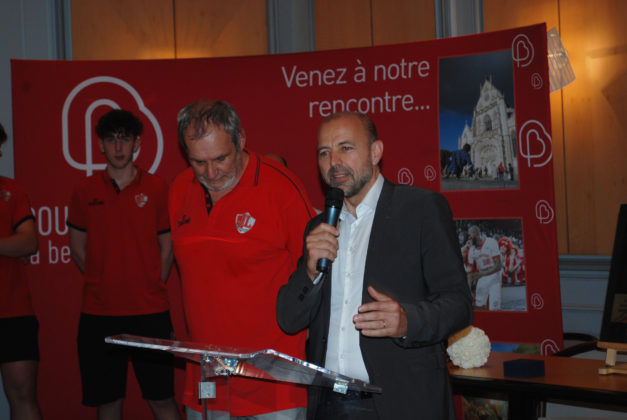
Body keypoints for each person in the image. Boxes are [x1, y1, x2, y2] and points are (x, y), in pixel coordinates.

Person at [276, 112, 473, 419]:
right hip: (329, 404)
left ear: (376, 151)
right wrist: (310, 272)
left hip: (400, 403)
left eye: (346, 148)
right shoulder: (319, 227)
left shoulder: (421, 209)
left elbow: (459, 305)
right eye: (324, 153)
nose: (334, 162)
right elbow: (289, 319)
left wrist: (407, 321)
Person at [169, 100, 315, 420]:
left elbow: (318, 275)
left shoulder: (280, 187)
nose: (211, 172)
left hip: (273, 383)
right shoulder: (179, 189)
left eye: (221, 158)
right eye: (198, 162)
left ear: (241, 140)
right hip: (206, 380)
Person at [67, 110, 181, 420]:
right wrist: (102, 281)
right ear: (100, 145)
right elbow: (78, 249)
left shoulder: (157, 188)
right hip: (99, 313)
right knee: (108, 402)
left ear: (137, 144)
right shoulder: (83, 191)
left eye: (125, 139)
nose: (118, 147)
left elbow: (167, 248)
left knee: (162, 399)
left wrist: (149, 283)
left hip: (150, 312)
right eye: (111, 140)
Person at [0, 123, 42, 420]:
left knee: (23, 397)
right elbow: (17, 244)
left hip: (13, 313)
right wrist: (8, 245)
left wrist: (16, 245)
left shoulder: (11, 190)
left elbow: (29, 242)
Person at [464, 226, 502, 310]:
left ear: (476, 234)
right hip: (482, 276)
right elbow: (469, 272)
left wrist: (482, 274)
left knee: (494, 308)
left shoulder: (491, 242)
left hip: (494, 276)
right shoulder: (471, 250)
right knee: (478, 306)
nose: (469, 238)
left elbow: (498, 266)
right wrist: (469, 291)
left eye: (470, 235)